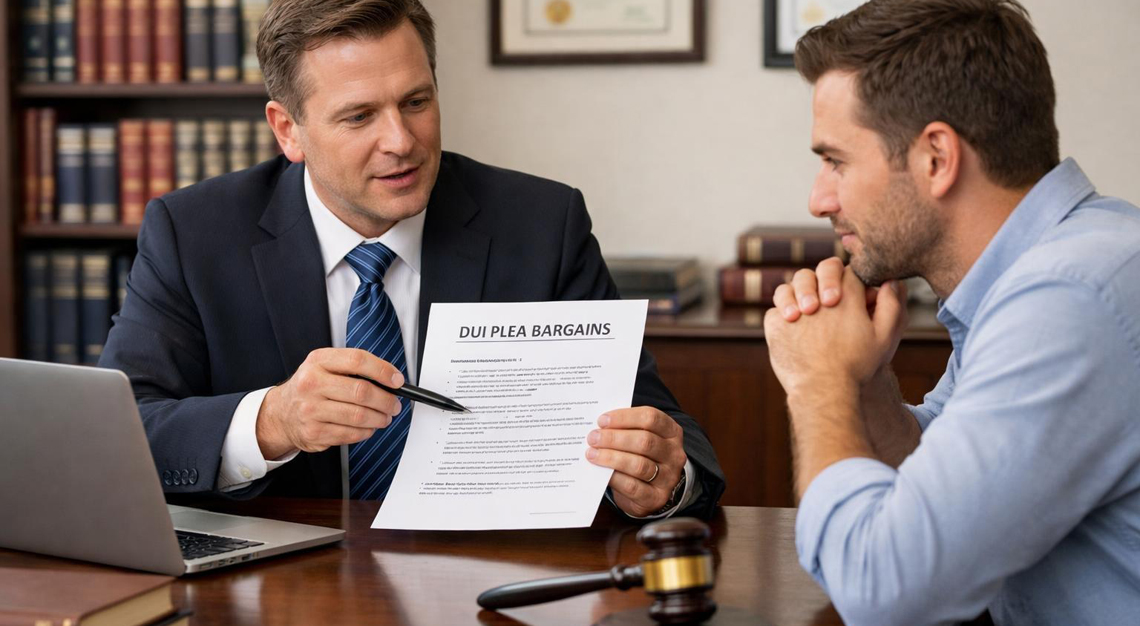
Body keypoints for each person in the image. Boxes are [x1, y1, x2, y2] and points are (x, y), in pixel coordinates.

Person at [99, 0, 724, 520]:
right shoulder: (194, 234)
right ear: (288, 130)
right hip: (282, 594)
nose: (401, 141)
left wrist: (661, 481)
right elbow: (122, 435)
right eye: (360, 116)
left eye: (417, 102)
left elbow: (657, 424)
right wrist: (273, 422)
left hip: (491, 582)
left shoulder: (540, 224)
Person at [761, 0, 1140, 623]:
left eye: (835, 160)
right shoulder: (1048, 266)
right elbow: (946, 483)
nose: (817, 198)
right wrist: (865, 387)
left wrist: (817, 380)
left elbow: (885, 595)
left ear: (936, 157)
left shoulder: (1068, 299)